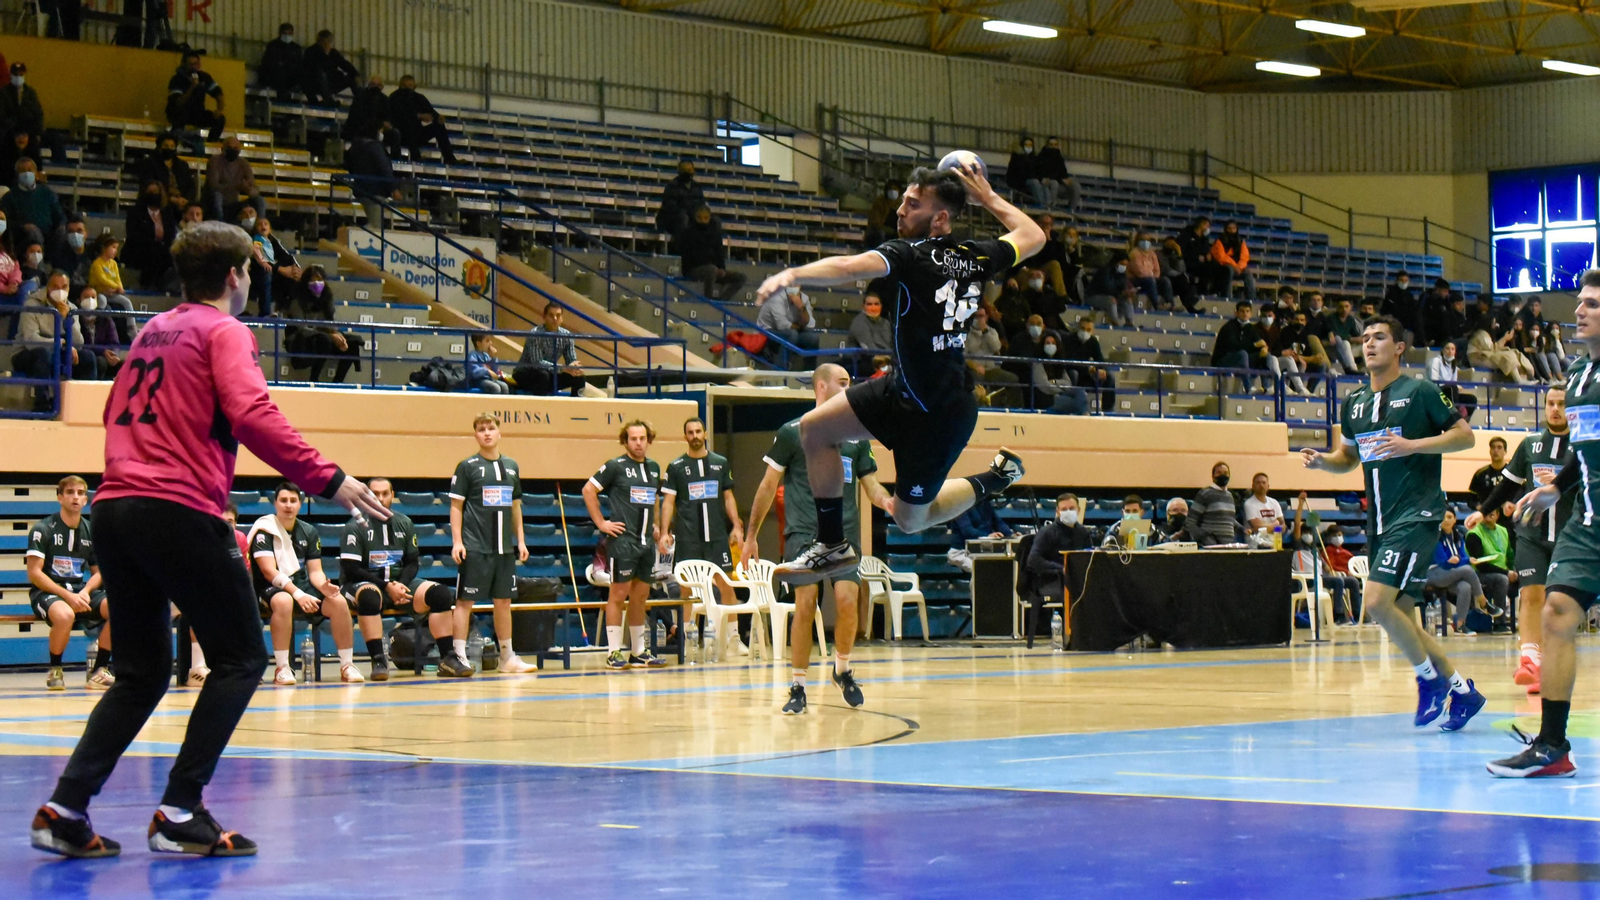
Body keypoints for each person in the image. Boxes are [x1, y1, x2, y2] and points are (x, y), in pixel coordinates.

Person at [30, 221, 386, 859]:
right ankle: (179, 809)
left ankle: (65, 808)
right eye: (250, 271)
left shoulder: (152, 331)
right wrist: (327, 478)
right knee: (243, 658)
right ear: (234, 276)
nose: (250, 281)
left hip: (115, 506)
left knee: (139, 674)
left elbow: (118, 414)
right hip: (177, 509)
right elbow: (253, 414)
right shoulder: (226, 330)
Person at [758, 163, 1042, 585]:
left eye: (913, 205)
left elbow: (851, 267)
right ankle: (833, 544)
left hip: (939, 416)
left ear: (940, 217)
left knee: (911, 520)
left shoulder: (911, 255)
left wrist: (795, 273)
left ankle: (995, 478)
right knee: (815, 429)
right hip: (901, 389)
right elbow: (1033, 236)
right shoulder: (978, 256)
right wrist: (988, 199)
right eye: (903, 202)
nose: (900, 211)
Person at [1302, 314, 1485, 733]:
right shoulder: (1355, 404)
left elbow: (1464, 436)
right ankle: (1461, 690)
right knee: (1403, 618)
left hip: (1417, 513)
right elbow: (1347, 459)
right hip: (1379, 522)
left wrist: (1412, 444)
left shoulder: (1420, 391)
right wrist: (1322, 464)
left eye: (1379, 337)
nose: (1369, 344)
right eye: (1364, 338)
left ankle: (1429, 681)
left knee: (1376, 603)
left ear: (1399, 347)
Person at [1489, 276, 1600, 778]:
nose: (1580, 311)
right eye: (1580, 303)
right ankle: (1552, 745)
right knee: (1556, 611)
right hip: (1590, 520)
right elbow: (1584, 447)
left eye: (1592, 305)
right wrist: (1559, 486)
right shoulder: (1576, 376)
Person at [744, 364, 890, 712]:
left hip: (846, 535)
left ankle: (842, 669)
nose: (848, 388)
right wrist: (751, 536)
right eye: (843, 383)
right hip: (804, 534)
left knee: (846, 602)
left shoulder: (856, 438)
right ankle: (797, 686)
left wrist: (887, 501)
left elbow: (869, 483)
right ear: (821, 386)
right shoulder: (794, 432)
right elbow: (768, 485)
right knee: (806, 605)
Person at [1473, 387, 1572, 695]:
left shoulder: (1583, 447)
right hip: (1532, 536)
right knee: (1531, 595)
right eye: (1550, 403)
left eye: (1561, 404)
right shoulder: (1530, 446)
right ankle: (1530, 660)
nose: (1555, 409)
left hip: (1570, 538)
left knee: (1560, 606)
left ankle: (1550, 664)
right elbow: (1507, 486)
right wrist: (1484, 510)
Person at [341, 477, 469, 680]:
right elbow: (351, 569)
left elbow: (412, 562)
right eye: (375, 494)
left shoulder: (404, 523)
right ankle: (379, 660)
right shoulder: (354, 526)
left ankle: (448, 658)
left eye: (385, 493)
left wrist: (400, 584)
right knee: (369, 598)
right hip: (363, 583)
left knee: (441, 594)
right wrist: (386, 586)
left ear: (393, 495)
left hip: (398, 583)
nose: (380, 498)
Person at [446, 415, 535, 674]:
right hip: (475, 546)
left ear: (499, 433)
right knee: (465, 602)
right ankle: (459, 655)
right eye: (481, 429)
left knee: (504, 601)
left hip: (503, 549)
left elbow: (515, 505)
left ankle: (507, 657)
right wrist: (457, 542)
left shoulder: (512, 466)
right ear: (475, 435)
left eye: (491, 428)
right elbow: (456, 506)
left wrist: (520, 540)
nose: (486, 433)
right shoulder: (467, 466)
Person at [250, 482, 361, 685]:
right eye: (283, 500)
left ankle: (347, 665)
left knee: (338, 602)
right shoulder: (264, 530)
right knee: (284, 601)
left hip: (301, 584)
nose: (288, 505)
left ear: (300, 504)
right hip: (270, 586)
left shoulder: (309, 531)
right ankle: (282, 668)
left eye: (293, 501)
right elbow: (269, 571)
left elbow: (316, 572)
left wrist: (324, 587)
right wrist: (298, 595)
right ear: (275, 503)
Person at [583, 421, 668, 670]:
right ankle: (613, 651)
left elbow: (653, 499)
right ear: (626, 441)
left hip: (645, 542)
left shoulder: (653, 468)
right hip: (623, 541)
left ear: (648, 440)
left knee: (641, 596)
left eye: (642, 438)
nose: (638, 443)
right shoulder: (615, 466)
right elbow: (588, 490)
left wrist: (655, 525)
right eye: (633, 438)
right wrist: (602, 523)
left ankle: (639, 651)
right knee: (618, 594)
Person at [658, 417, 746, 650]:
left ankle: (733, 638)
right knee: (686, 587)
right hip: (688, 536)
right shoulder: (676, 467)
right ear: (684, 436)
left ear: (705, 433)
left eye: (698, 431)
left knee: (725, 584)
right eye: (690, 432)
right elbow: (668, 502)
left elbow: (728, 497)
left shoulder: (720, 463)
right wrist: (665, 531)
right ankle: (687, 639)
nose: (695, 435)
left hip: (717, 535)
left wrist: (736, 526)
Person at [27, 476, 113, 692]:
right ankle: (55, 669)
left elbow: (99, 572)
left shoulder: (91, 530)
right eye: (70, 492)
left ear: (86, 499)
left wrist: (85, 591)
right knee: (65, 615)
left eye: (80, 493)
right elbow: (34, 573)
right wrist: (68, 596)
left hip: (78, 591)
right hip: (47, 592)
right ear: (60, 497)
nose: (76, 497)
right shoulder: (43, 529)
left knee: (119, 609)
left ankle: (100, 670)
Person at [280, 267, 362, 383]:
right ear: (305, 282)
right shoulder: (296, 301)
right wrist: (330, 335)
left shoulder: (327, 298)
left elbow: (331, 323)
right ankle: (314, 380)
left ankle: (337, 383)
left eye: (320, 279)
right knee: (324, 340)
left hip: (322, 336)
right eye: (313, 280)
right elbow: (303, 328)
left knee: (352, 343)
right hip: (300, 340)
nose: (317, 284)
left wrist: (336, 334)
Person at [1425, 509, 1490, 634]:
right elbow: (1443, 562)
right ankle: (1482, 601)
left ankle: (1460, 624)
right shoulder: (1435, 536)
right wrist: (1462, 561)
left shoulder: (1458, 536)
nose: (1447, 520)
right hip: (1435, 573)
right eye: (1444, 517)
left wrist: (1467, 560)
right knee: (1467, 569)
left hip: (1451, 573)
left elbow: (1462, 557)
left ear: (1455, 519)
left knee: (1465, 587)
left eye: (1450, 517)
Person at [1026, 493, 1094, 612]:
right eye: (1064, 509)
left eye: (1071, 508)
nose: (1068, 512)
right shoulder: (1046, 532)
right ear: (1057, 511)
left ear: (1079, 510)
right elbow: (1033, 560)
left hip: (1078, 578)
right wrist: (1061, 568)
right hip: (1052, 580)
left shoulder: (1083, 532)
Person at [514, 303, 595, 396]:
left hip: (550, 373)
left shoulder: (566, 335)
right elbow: (537, 363)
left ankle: (574, 408)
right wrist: (562, 368)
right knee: (543, 375)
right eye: (551, 315)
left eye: (558, 315)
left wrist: (574, 366)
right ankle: (542, 408)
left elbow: (571, 358)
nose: (555, 319)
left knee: (579, 377)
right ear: (544, 317)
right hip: (525, 373)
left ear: (562, 318)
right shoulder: (535, 334)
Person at [676, 205, 746, 301]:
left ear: (709, 218)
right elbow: (690, 257)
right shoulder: (688, 232)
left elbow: (719, 252)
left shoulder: (714, 232)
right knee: (711, 270)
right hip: (693, 270)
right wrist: (714, 268)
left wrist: (722, 269)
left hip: (714, 270)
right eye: (699, 217)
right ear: (695, 217)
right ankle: (708, 298)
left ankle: (723, 300)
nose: (702, 221)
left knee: (741, 277)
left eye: (705, 218)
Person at [387, 74, 457, 165]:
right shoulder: (394, 97)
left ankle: (449, 158)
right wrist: (418, 116)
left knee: (439, 126)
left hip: (417, 134)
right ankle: (416, 157)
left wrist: (438, 117)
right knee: (409, 125)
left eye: (410, 86)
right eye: (405, 86)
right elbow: (399, 115)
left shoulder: (419, 98)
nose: (407, 88)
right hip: (401, 134)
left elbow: (430, 111)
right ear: (400, 86)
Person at [123, 181, 178, 290]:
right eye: (150, 192)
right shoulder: (135, 213)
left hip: (163, 252)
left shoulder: (167, 214)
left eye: (156, 192)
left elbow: (171, 235)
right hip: (140, 251)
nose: (153, 195)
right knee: (155, 254)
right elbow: (134, 236)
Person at [1466, 506, 1513, 631]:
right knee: (1501, 579)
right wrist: (1507, 572)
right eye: (1485, 513)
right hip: (1479, 574)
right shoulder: (1474, 534)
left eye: (1492, 513)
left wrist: (1514, 570)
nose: (1489, 516)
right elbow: (1480, 565)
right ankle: (1500, 624)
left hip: (1503, 571)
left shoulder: (1504, 531)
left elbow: (1510, 555)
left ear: (1497, 515)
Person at [202, 136, 264, 225]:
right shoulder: (214, 161)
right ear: (222, 148)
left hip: (233, 204)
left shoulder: (244, 163)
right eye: (229, 147)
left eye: (235, 148)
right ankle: (220, 227)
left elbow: (254, 189)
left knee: (259, 200)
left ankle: (260, 227)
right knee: (217, 196)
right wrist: (236, 185)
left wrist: (249, 190)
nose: (232, 150)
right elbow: (213, 186)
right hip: (213, 204)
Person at [756, 283, 819, 369]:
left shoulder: (804, 298)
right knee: (792, 334)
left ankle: (809, 372)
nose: (793, 287)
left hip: (792, 331)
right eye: (791, 284)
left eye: (796, 284)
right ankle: (780, 369)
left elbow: (810, 324)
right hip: (766, 332)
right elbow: (782, 325)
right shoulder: (776, 297)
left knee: (813, 338)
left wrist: (801, 307)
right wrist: (799, 326)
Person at [85, 235, 135, 344]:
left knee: (126, 301)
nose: (115, 251)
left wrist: (120, 287)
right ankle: (98, 326)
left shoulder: (113, 264)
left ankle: (132, 329)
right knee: (102, 301)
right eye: (113, 247)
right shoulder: (97, 263)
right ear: (104, 248)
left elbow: (117, 278)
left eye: (116, 248)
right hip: (99, 292)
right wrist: (116, 287)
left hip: (111, 292)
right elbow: (102, 279)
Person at [247, 216, 300, 318]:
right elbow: (259, 257)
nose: (263, 226)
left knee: (291, 271)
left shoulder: (272, 240)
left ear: (270, 229)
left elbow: (287, 256)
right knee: (266, 269)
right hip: (256, 274)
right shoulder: (256, 239)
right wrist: (280, 269)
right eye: (260, 224)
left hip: (272, 273)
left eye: (265, 224)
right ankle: (265, 313)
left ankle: (283, 310)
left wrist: (296, 269)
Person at [166, 52, 225, 142]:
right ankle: (177, 138)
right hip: (179, 113)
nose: (194, 67)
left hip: (197, 113)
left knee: (220, 119)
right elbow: (178, 103)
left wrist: (219, 109)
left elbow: (218, 93)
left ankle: (211, 143)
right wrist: (192, 87)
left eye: (196, 64)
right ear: (184, 64)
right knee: (179, 113)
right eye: (191, 64)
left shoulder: (204, 77)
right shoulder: (176, 79)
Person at [966, 305, 1020, 405]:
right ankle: (979, 406)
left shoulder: (992, 332)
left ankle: (1014, 408)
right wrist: (974, 366)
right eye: (976, 316)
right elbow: (963, 355)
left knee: (1013, 379)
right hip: (974, 369)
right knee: (975, 379)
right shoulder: (967, 333)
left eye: (981, 316)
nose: (978, 319)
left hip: (991, 369)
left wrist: (985, 332)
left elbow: (996, 347)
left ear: (986, 317)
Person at [946, 493, 1013, 572]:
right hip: (960, 552)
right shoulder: (961, 505)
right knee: (982, 572)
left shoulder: (984, 503)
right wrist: (988, 536)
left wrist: (1011, 535)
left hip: (981, 551)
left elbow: (998, 522)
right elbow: (967, 530)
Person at [131, 133, 197, 212]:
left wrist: (185, 199)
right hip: (160, 202)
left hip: (181, 202)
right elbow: (149, 184)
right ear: (159, 147)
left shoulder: (182, 165)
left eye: (172, 146)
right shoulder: (150, 163)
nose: (169, 148)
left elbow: (191, 186)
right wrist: (171, 199)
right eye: (166, 146)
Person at [1060, 314, 1114, 411]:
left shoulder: (1093, 341)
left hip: (1087, 376)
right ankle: (1071, 407)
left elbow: (1100, 359)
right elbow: (1070, 362)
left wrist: (1102, 370)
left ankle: (1108, 410)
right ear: (1078, 328)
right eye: (1083, 328)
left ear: (1092, 331)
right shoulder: (1068, 340)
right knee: (1073, 373)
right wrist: (1089, 369)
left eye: (1088, 330)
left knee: (1109, 378)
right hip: (1071, 373)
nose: (1085, 332)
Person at [1, 159, 62, 241]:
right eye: (22, 171)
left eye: (30, 170)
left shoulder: (47, 192)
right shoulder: (9, 197)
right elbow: (7, 223)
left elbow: (59, 214)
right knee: (34, 233)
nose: (26, 174)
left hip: (50, 236)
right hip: (23, 238)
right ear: (17, 175)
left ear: (36, 173)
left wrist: (62, 226)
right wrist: (23, 227)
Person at [1211, 301, 1266, 392]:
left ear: (1251, 314)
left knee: (1266, 356)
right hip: (1222, 360)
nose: (1245, 314)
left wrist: (1264, 348)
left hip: (1239, 360)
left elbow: (1260, 342)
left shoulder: (1249, 327)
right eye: (1242, 311)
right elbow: (1233, 347)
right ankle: (1249, 388)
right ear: (1236, 313)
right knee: (1243, 354)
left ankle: (1268, 387)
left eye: (1247, 311)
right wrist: (1255, 345)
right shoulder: (1229, 327)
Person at [342, 76, 399, 158]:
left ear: (382, 87)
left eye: (378, 85)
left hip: (379, 129)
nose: (375, 87)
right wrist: (380, 124)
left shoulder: (385, 100)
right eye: (373, 84)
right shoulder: (360, 97)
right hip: (360, 129)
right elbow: (360, 117)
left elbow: (389, 118)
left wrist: (385, 126)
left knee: (395, 133)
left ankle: (394, 159)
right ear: (368, 85)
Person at [302, 31, 361, 107]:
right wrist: (324, 54)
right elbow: (311, 70)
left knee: (353, 77)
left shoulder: (333, 53)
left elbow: (344, 64)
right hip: (316, 84)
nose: (326, 44)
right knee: (321, 74)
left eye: (328, 41)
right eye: (324, 42)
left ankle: (361, 102)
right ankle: (328, 100)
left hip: (331, 82)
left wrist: (356, 74)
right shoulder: (311, 51)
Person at [1190, 462, 1241, 546]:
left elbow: (1229, 520)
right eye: (1219, 473)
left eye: (1225, 473)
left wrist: (1243, 529)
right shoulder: (1205, 493)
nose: (1222, 475)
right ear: (1213, 476)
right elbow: (1191, 522)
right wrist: (1205, 538)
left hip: (1228, 545)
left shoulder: (1230, 496)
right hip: (1210, 546)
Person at [656, 159, 705, 240]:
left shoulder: (697, 187)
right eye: (684, 170)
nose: (687, 173)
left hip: (692, 218)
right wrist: (690, 212)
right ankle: (682, 247)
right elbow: (671, 207)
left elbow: (701, 204)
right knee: (683, 217)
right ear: (679, 171)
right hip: (671, 220)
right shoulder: (672, 186)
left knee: (713, 220)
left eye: (689, 170)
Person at [1428, 340, 1477, 420]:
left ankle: (1464, 420)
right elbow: (1434, 381)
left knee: (1471, 399)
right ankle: (1454, 416)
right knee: (1452, 388)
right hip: (1437, 392)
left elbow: (1454, 382)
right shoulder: (1436, 361)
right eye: (1447, 349)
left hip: (1451, 391)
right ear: (1443, 350)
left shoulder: (1453, 364)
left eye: (1452, 349)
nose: (1450, 351)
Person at [1086, 252, 1135, 327]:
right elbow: (1107, 288)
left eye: (1126, 265)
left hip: (1112, 296)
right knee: (1111, 300)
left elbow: (1122, 287)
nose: (1124, 267)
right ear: (1116, 262)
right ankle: (1115, 322)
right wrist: (1120, 293)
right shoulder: (1105, 271)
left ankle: (1129, 321)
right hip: (1093, 296)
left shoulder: (1122, 274)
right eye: (1122, 264)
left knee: (1127, 299)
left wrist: (1127, 293)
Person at [0, 62, 44, 147]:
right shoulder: (3, 93)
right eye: (16, 74)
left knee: (56, 139)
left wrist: (38, 132)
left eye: (21, 74)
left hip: (28, 130)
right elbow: (2, 116)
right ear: (11, 75)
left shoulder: (31, 93)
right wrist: (16, 127)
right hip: (10, 130)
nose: (18, 77)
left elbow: (38, 113)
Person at [845, 289, 893, 367]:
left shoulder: (886, 323)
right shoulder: (859, 322)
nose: (873, 308)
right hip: (862, 363)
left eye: (876, 304)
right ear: (863, 306)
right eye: (869, 304)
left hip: (886, 362)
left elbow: (891, 345)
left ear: (881, 306)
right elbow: (869, 348)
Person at [1209, 220, 1255, 301]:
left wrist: (1239, 267)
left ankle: (1251, 299)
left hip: (1238, 269)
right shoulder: (1219, 241)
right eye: (1229, 228)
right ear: (1225, 229)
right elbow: (1221, 257)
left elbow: (1245, 257)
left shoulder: (1241, 242)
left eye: (1233, 228)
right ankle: (1227, 297)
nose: (1231, 231)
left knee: (1248, 273)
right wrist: (1235, 266)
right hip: (1223, 268)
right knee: (1229, 270)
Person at [257, 23, 302, 101]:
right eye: (285, 33)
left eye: (289, 33)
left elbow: (299, 64)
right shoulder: (273, 46)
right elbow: (267, 63)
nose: (287, 35)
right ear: (280, 33)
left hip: (291, 77)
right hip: (275, 76)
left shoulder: (296, 48)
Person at [1126, 231, 1170, 310]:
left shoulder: (1152, 253)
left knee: (1165, 280)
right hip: (1135, 280)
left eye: (1147, 240)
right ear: (1138, 241)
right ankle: (1156, 305)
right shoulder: (1134, 253)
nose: (1146, 242)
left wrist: (1153, 275)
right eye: (1143, 239)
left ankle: (1170, 304)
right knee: (1150, 281)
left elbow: (1157, 270)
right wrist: (1151, 274)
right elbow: (1139, 272)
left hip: (1150, 278)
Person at [1035, 136, 1077, 210]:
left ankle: (1072, 209)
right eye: (1051, 145)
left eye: (1055, 144)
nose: (1053, 147)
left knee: (1076, 186)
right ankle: (1052, 206)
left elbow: (1063, 172)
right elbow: (1041, 172)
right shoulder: (1041, 157)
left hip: (1058, 182)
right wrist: (1061, 179)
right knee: (1054, 183)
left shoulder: (1059, 158)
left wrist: (1066, 180)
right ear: (1047, 145)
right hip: (1047, 182)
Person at [1242, 472, 1284, 538]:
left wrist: (1264, 526)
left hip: (1274, 543)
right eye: (1258, 483)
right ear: (1253, 486)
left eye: (1264, 482)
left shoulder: (1274, 502)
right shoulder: (1249, 503)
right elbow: (1257, 527)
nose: (1261, 485)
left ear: (1268, 486)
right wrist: (1275, 524)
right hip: (1256, 544)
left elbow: (1283, 525)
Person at [1005, 136, 1044, 208]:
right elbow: (1019, 173)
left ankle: (1049, 206)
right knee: (1034, 182)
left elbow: (1038, 171)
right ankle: (1041, 205)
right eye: (1026, 145)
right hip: (1020, 182)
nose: (1028, 147)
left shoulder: (1034, 158)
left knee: (1047, 184)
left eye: (1030, 145)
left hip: (1032, 180)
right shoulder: (1017, 157)